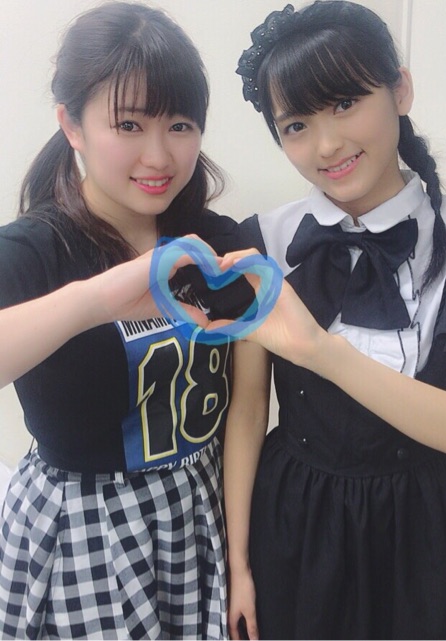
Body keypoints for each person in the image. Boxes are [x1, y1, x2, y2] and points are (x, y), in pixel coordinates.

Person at [222, 1, 446, 639]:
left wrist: (321, 351)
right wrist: (239, 564)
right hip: (293, 521)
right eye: (296, 124)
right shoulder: (267, 239)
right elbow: (247, 413)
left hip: (422, 532)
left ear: (401, 90)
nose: (327, 144)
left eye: (344, 103)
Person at [0, 2, 246, 638]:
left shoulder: (215, 245)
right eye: (129, 124)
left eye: (180, 125)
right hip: (80, 532)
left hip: (198, 514)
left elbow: (247, 404)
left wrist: (242, 558)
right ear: (72, 125)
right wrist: (96, 299)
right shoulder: (34, 249)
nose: (159, 156)